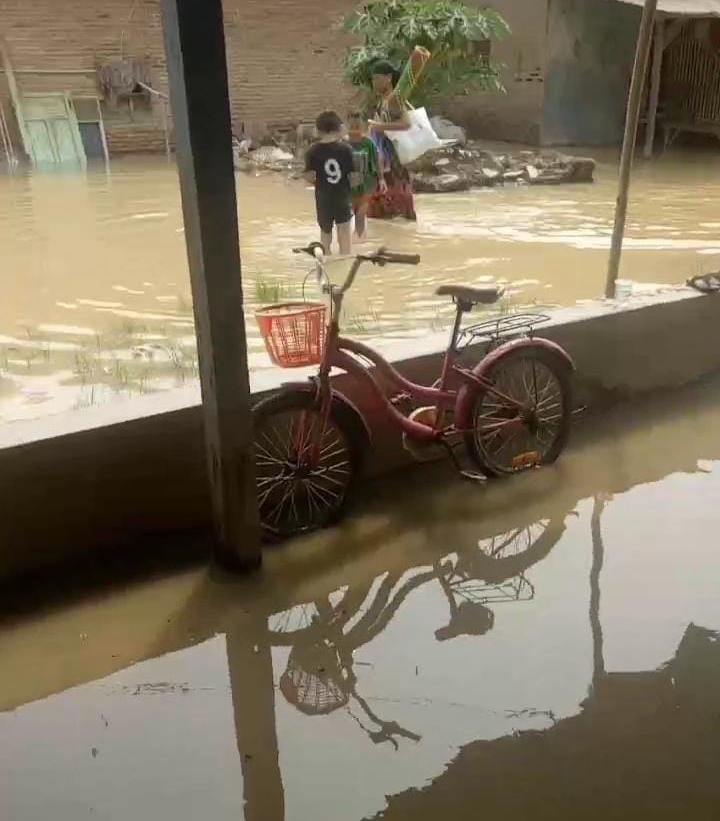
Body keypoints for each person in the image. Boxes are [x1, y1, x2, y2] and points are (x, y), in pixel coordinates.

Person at [367, 61, 417, 222]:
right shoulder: (383, 100)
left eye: (377, 78)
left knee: (396, 211)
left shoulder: (394, 99)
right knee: (387, 213)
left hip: (394, 162)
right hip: (385, 162)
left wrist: (379, 126)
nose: (374, 82)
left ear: (388, 78)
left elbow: (406, 124)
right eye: (373, 79)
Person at [304, 110, 355, 255]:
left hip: (323, 199)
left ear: (318, 130)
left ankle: (325, 265)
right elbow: (355, 177)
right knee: (344, 235)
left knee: (325, 235)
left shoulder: (312, 151)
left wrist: (318, 183)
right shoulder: (346, 149)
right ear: (339, 128)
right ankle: (344, 265)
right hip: (342, 197)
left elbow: (308, 176)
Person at [347, 112, 386, 239]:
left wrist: (381, 179)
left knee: (360, 213)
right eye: (352, 125)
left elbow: (377, 159)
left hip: (367, 182)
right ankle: (358, 238)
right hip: (349, 183)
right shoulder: (342, 144)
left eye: (357, 126)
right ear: (347, 125)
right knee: (355, 211)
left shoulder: (368, 143)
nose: (355, 129)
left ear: (362, 126)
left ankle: (359, 238)